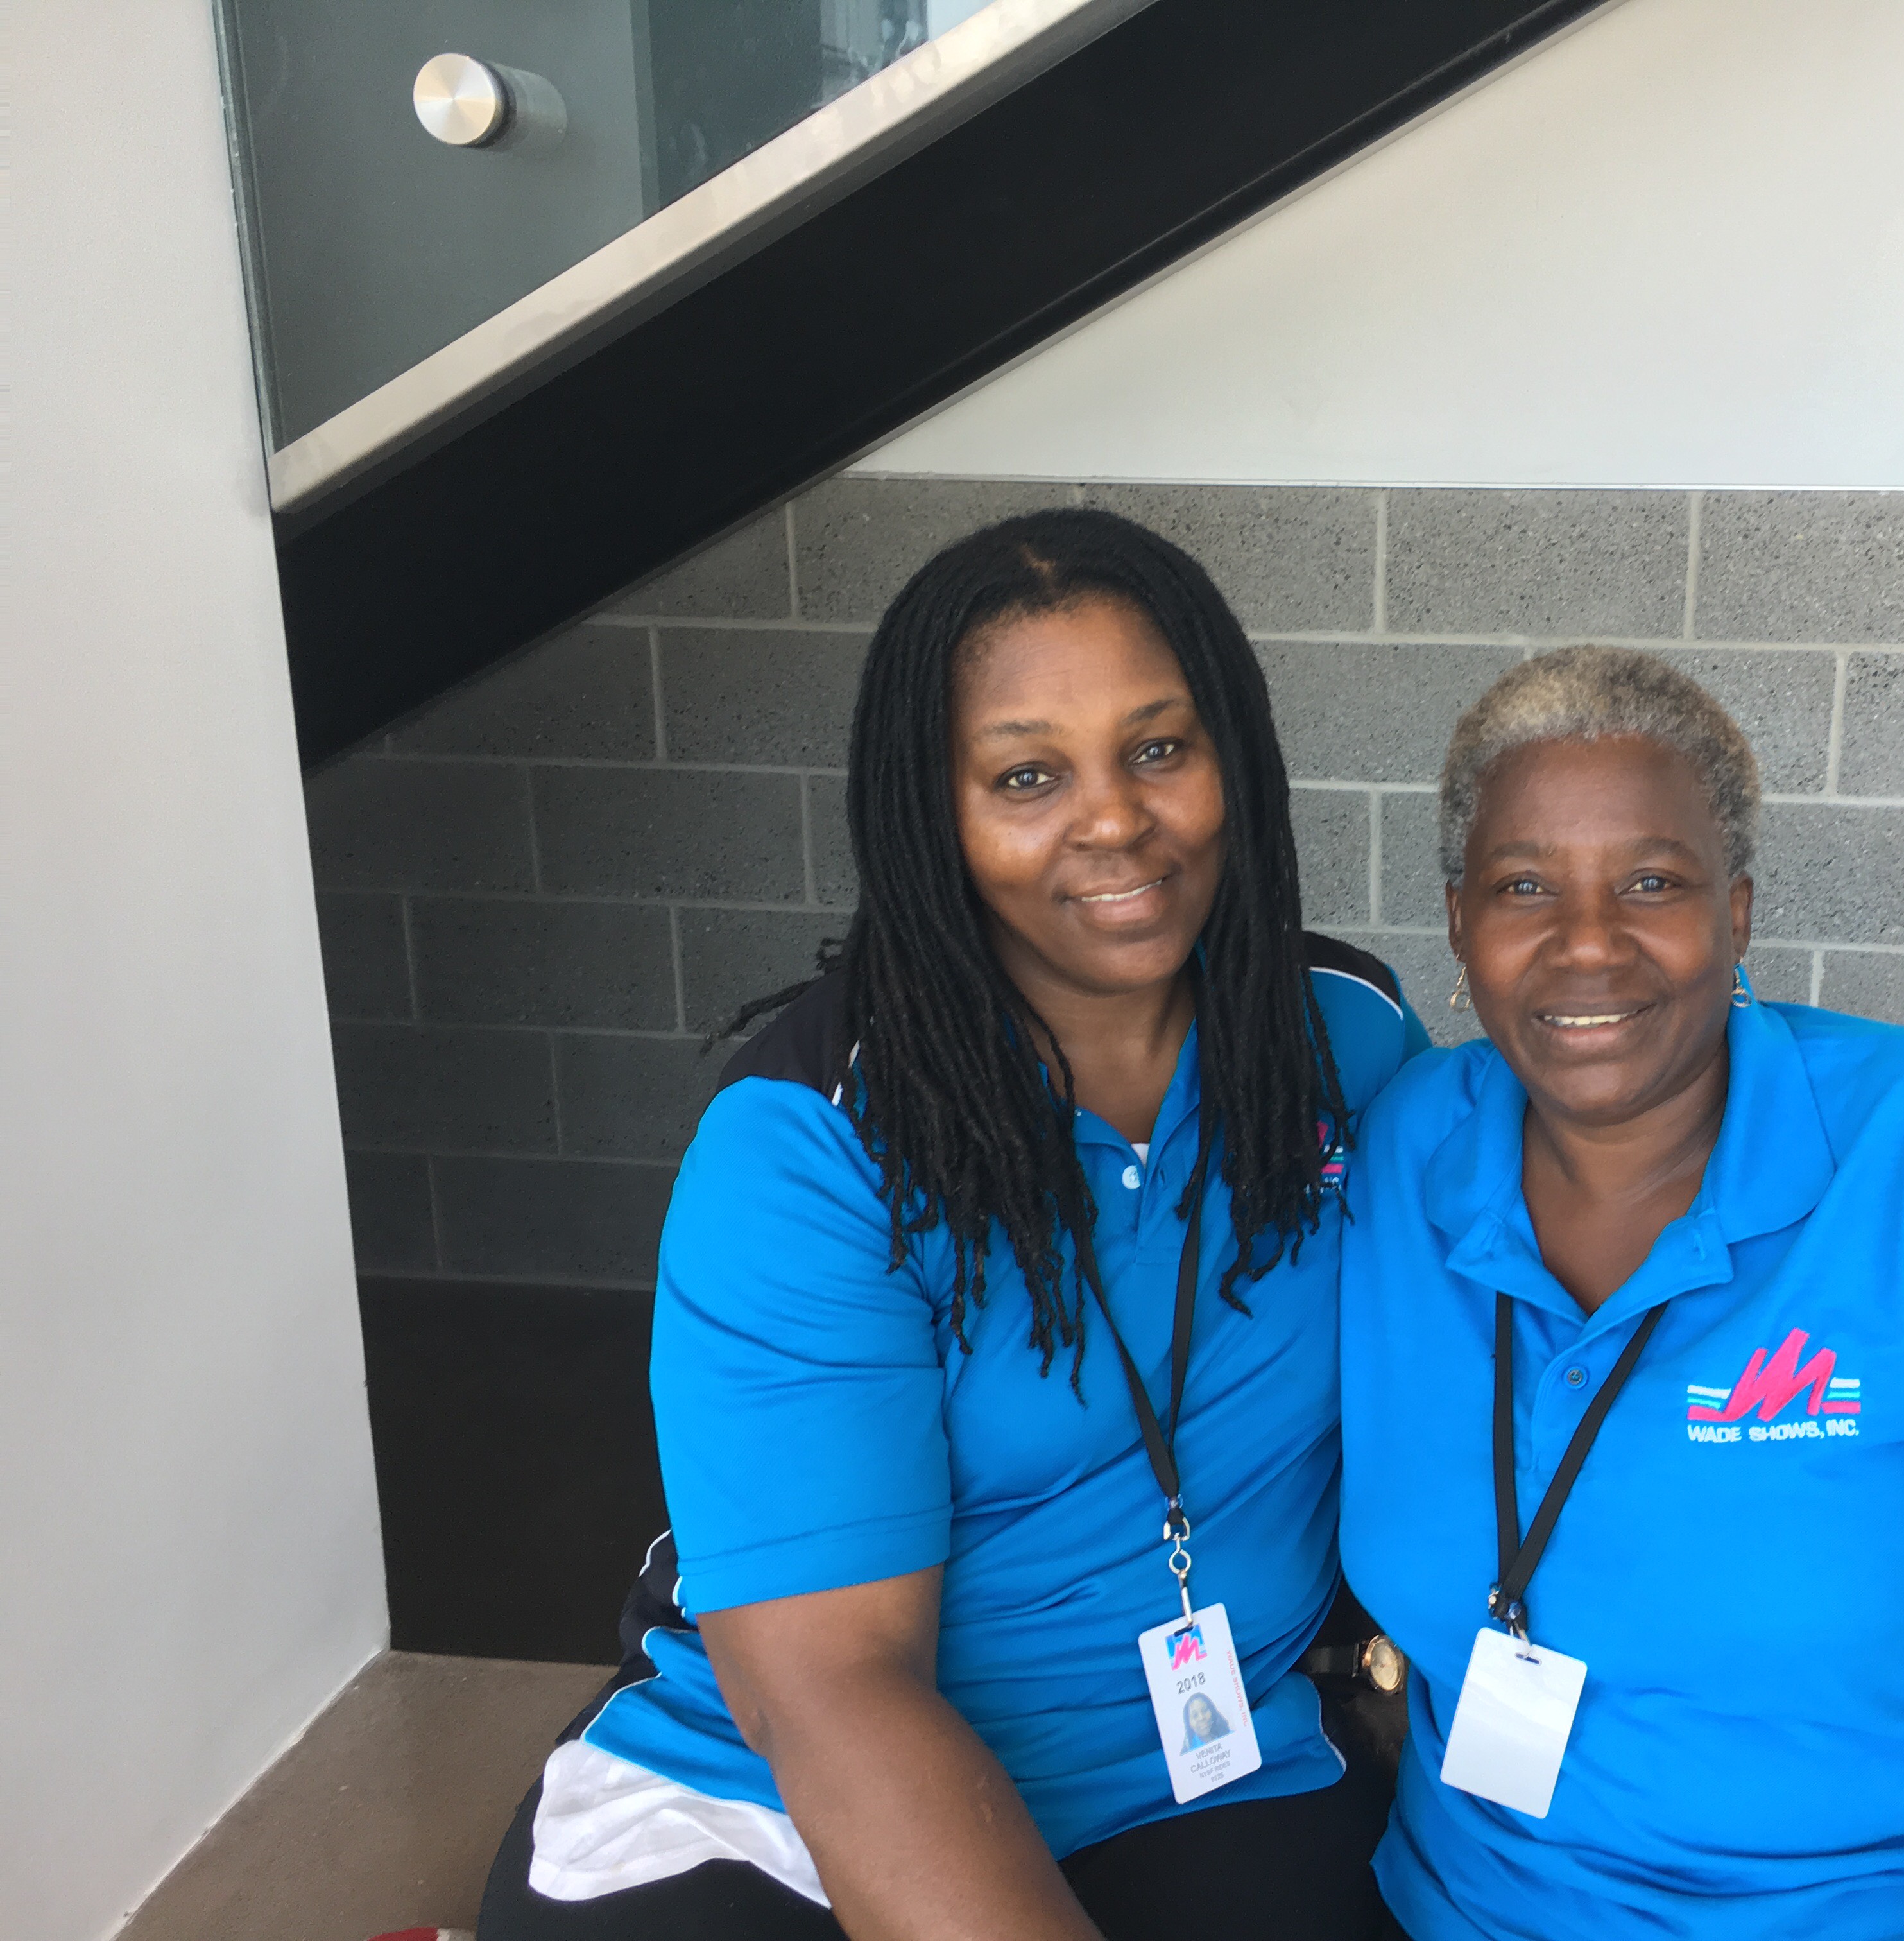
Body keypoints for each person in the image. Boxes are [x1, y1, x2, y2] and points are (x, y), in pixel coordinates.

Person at [479, 509, 1429, 1941]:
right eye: (1028, 774)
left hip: (1208, 1772)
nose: (1115, 818)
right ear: (939, 815)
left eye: (1160, 748)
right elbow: (832, 1686)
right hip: (782, 1799)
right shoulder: (809, 1146)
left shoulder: (1349, 1044)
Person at [1339, 646, 1904, 1941]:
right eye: (1524, 885)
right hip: (1463, 1910)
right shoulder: (1408, 1147)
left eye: (1652, 882)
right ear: (1458, 925)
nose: (1587, 943)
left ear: (1741, 912)